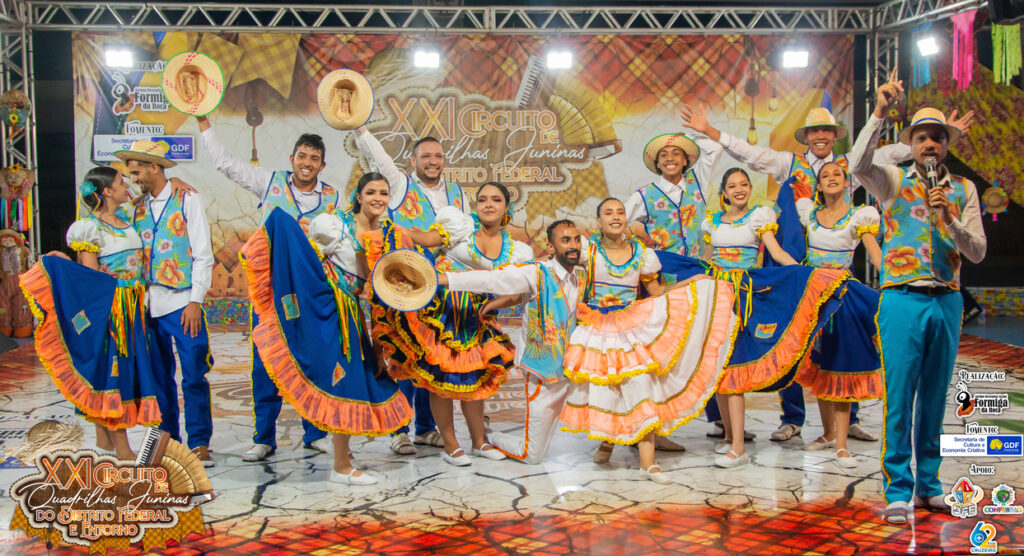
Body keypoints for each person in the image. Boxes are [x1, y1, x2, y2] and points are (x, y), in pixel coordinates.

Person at [679, 90, 972, 442]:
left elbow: (896, 151)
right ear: (806, 136)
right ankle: (793, 418)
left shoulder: (851, 163)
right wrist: (711, 131)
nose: (821, 136)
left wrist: (939, 136)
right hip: (795, 265)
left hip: (834, 269)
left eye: (827, 131)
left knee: (846, 341)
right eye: (814, 131)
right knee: (791, 341)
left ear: (834, 136)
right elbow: (750, 153)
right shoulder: (790, 164)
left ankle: (848, 420)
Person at [849, 75, 986, 524]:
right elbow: (855, 165)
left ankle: (929, 485)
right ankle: (898, 488)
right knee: (898, 392)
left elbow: (978, 252)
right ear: (912, 144)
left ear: (947, 145)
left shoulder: (964, 190)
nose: (929, 144)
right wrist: (880, 113)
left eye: (937, 138)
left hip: (946, 300)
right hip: (902, 299)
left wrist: (949, 217)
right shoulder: (890, 180)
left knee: (934, 396)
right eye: (922, 137)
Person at [657, 168, 848, 469]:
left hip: (744, 297)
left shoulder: (760, 217)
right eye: (732, 185)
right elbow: (708, 261)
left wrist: (806, 273)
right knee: (719, 367)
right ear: (724, 192)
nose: (739, 189)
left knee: (734, 368)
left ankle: (737, 448)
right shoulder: (713, 222)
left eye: (744, 184)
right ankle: (729, 435)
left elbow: (777, 253)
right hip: (715, 294)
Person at [240, 172, 414, 485]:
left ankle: (342, 459)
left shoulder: (387, 235)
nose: (378, 198)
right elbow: (310, 261)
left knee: (349, 384)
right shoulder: (336, 225)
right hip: (333, 318)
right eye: (371, 192)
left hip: (352, 317)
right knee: (341, 384)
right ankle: (340, 467)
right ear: (358, 196)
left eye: (384, 193)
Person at [558, 198, 738, 483]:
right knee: (606, 390)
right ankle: (608, 440)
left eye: (620, 212)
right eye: (608, 212)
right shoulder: (587, 249)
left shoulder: (641, 253)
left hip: (632, 325)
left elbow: (656, 290)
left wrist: (691, 284)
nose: (615, 216)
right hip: (597, 328)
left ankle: (648, 463)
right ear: (598, 222)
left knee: (641, 386)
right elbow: (558, 264)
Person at [197, 115, 335, 461]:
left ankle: (316, 432)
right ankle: (264, 437)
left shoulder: (332, 197)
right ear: (292, 159)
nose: (307, 163)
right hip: (269, 292)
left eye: (314, 158)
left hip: (312, 294)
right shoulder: (268, 183)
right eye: (302, 156)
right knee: (265, 365)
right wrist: (203, 122)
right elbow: (225, 164)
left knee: (314, 363)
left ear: (322, 164)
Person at [370, 182, 529, 466]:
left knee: (474, 380)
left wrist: (493, 305)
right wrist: (390, 227)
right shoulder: (460, 229)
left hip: (477, 320)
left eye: (496, 199)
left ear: (507, 207)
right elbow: (423, 237)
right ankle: (452, 445)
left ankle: (479, 441)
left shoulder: (519, 251)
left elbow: (519, 290)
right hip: (440, 314)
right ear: (476, 206)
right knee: (440, 380)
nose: (488, 204)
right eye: (482, 199)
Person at [21, 166, 160, 460]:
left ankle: (104, 443)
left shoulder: (125, 220)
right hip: (113, 314)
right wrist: (71, 265)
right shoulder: (90, 228)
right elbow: (90, 280)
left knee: (122, 374)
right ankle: (122, 449)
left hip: (133, 308)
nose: (127, 185)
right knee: (112, 377)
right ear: (107, 191)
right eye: (122, 182)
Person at [354, 126, 471, 455]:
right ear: (413, 160)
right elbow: (377, 155)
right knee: (402, 356)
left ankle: (425, 427)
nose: (432, 162)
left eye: (437, 156)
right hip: (403, 284)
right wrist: (360, 126)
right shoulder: (400, 185)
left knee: (432, 357)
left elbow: (462, 239)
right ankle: (398, 430)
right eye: (426, 156)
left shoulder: (458, 194)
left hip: (442, 289)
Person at [438, 219, 582, 464]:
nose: (573, 245)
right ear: (550, 247)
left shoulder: (578, 277)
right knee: (532, 456)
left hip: (571, 372)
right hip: (543, 375)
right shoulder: (535, 272)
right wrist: (444, 281)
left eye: (577, 239)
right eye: (565, 240)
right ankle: (488, 436)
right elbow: (491, 280)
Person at [118, 140, 216, 467]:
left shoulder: (188, 198)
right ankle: (168, 441)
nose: (134, 179)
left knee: (193, 374)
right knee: (159, 378)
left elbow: (203, 254)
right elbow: (94, 193)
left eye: (137, 172)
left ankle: (200, 442)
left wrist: (195, 302)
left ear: (154, 167)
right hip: (148, 307)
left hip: (182, 302)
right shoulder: (136, 207)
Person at [792, 162, 884, 468]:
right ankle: (829, 433)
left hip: (842, 299)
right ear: (818, 186)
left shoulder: (859, 216)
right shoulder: (809, 214)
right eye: (825, 175)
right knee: (821, 366)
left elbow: (873, 253)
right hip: (814, 299)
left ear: (847, 184)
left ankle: (842, 444)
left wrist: (895, 277)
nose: (831, 178)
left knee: (842, 367)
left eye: (837, 175)